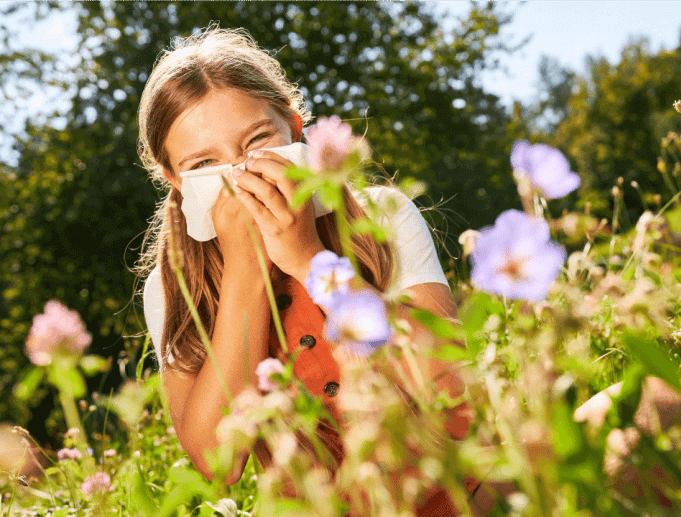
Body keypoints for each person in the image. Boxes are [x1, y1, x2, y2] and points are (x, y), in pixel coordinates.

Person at [137, 27, 484, 516]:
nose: (240, 175)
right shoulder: (172, 287)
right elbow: (219, 462)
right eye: (205, 163)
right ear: (176, 179)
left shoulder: (380, 215)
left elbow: (449, 391)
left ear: (295, 128)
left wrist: (307, 257)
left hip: (465, 493)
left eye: (257, 141)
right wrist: (245, 276)